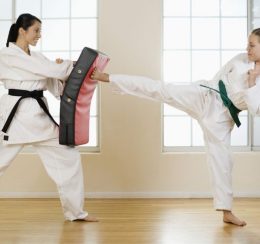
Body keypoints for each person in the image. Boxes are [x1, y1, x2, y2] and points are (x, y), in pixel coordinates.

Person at [91, 28, 260, 226]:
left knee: (223, 163)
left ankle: (226, 212)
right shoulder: (240, 59)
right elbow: (219, 77)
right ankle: (109, 78)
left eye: (252, 45)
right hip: (204, 96)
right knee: (161, 89)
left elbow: (256, 109)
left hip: (221, 120)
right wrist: (208, 91)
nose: (246, 48)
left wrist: (251, 82)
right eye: (248, 43)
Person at [0, 13, 97, 222]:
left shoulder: (37, 57)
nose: (39, 35)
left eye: (40, 31)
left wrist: (61, 72)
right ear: (22, 31)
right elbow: (46, 70)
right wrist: (70, 66)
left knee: (69, 157)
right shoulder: (7, 55)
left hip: (39, 119)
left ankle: (76, 212)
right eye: (36, 31)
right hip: (15, 119)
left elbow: (52, 79)